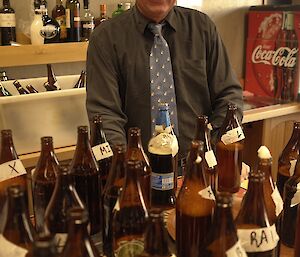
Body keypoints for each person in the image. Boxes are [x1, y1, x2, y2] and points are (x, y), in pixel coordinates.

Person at [86, 0, 243, 159]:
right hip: (137, 169)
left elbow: (229, 96)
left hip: (200, 166)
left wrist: (214, 143)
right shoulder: (105, 38)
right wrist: (126, 167)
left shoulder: (202, 28)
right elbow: (105, 114)